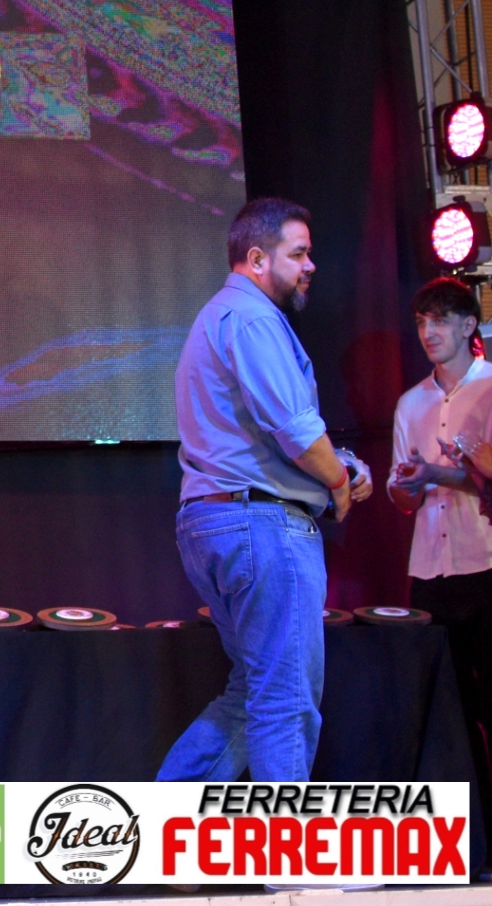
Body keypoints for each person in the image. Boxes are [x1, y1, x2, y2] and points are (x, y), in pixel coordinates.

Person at [158, 197, 373, 783]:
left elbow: (263, 434)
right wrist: (338, 481)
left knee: (252, 692)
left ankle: (161, 825)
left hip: (215, 521)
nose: (311, 265)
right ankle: (290, 843)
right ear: (257, 259)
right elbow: (296, 430)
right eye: (298, 254)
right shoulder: (253, 319)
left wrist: (339, 465)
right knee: (285, 698)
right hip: (261, 526)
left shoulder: (218, 317)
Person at [386, 277, 492, 803]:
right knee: (449, 709)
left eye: (440, 321)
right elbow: (403, 499)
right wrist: (408, 484)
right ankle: (474, 827)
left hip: (485, 562)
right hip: (431, 568)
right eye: (421, 322)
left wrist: (436, 473)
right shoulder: (411, 403)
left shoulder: (490, 388)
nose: (428, 332)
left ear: (468, 325)